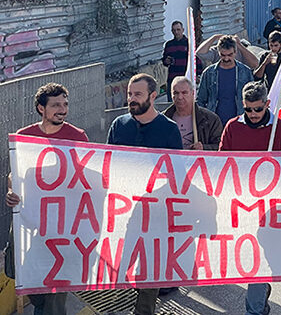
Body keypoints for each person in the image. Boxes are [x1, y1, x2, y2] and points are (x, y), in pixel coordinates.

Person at [7, 83, 89, 315]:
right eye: (55, 105)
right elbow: (15, 174)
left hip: (62, 227)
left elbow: (87, 180)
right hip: (30, 223)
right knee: (30, 280)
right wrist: (11, 191)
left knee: (56, 287)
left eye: (65, 104)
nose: (62, 110)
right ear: (41, 108)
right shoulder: (24, 137)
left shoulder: (78, 137)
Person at [219, 81, 281, 315]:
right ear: (243, 105)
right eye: (248, 109)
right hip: (241, 205)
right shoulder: (232, 127)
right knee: (246, 257)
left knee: (259, 257)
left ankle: (254, 309)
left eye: (258, 109)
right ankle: (261, 292)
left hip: (271, 207)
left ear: (267, 104)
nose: (253, 114)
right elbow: (223, 165)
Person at [106, 74, 183, 314]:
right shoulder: (119, 124)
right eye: (130, 94)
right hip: (123, 210)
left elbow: (176, 174)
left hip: (156, 214)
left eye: (137, 94)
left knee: (151, 266)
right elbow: (107, 164)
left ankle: (144, 310)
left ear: (153, 95)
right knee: (121, 264)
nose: (131, 99)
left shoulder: (169, 130)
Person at [196, 35, 254, 126]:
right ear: (218, 52)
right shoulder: (209, 73)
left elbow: (253, 99)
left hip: (240, 122)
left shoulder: (245, 72)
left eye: (230, 55)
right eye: (223, 55)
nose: (226, 59)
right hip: (215, 124)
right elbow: (200, 100)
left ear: (235, 52)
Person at [163, 76, 223, 150]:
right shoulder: (163, 119)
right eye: (176, 93)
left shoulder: (210, 119)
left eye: (184, 93)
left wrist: (204, 148)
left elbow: (221, 147)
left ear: (193, 93)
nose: (180, 97)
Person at [162, 21, 189, 102]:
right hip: (172, 78)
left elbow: (196, 59)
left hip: (185, 77)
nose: (176, 32)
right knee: (171, 102)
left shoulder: (189, 43)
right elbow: (164, 60)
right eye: (174, 30)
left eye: (178, 29)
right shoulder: (169, 45)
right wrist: (166, 61)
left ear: (183, 30)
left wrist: (198, 74)